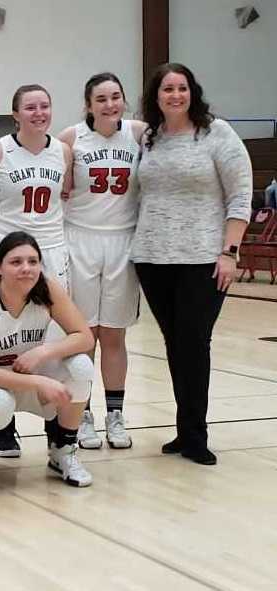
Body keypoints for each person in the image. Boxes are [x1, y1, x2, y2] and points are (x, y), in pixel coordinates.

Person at [132, 63, 252, 465]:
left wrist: (230, 252)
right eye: (167, 89)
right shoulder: (150, 137)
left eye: (182, 88)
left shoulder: (218, 134)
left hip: (203, 259)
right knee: (174, 344)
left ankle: (196, 435)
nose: (175, 95)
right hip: (152, 258)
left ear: (192, 92)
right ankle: (184, 431)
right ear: (157, 96)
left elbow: (240, 197)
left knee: (195, 343)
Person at [0, 84, 72, 458]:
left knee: (51, 332)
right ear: (15, 113)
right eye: (30, 107)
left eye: (45, 106)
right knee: (3, 334)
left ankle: (56, 425)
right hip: (7, 247)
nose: (39, 113)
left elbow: (66, 193)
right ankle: (5, 426)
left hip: (51, 247)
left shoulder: (63, 152)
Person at [0, 232, 96, 487]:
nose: (26, 268)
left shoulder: (47, 289)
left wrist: (43, 352)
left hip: (29, 375)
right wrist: (39, 383)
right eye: (16, 262)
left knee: (81, 367)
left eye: (33, 261)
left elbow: (84, 337)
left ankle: (63, 451)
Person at [57, 73, 145, 450]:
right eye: (101, 99)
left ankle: (115, 414)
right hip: (80, 238)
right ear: (88, 104)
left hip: (123, 240)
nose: (110, 105)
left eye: (116, 97)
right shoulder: (70, 139)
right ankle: (84, 413)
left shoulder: (139, 133)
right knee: (84, 335)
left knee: (114, 334)